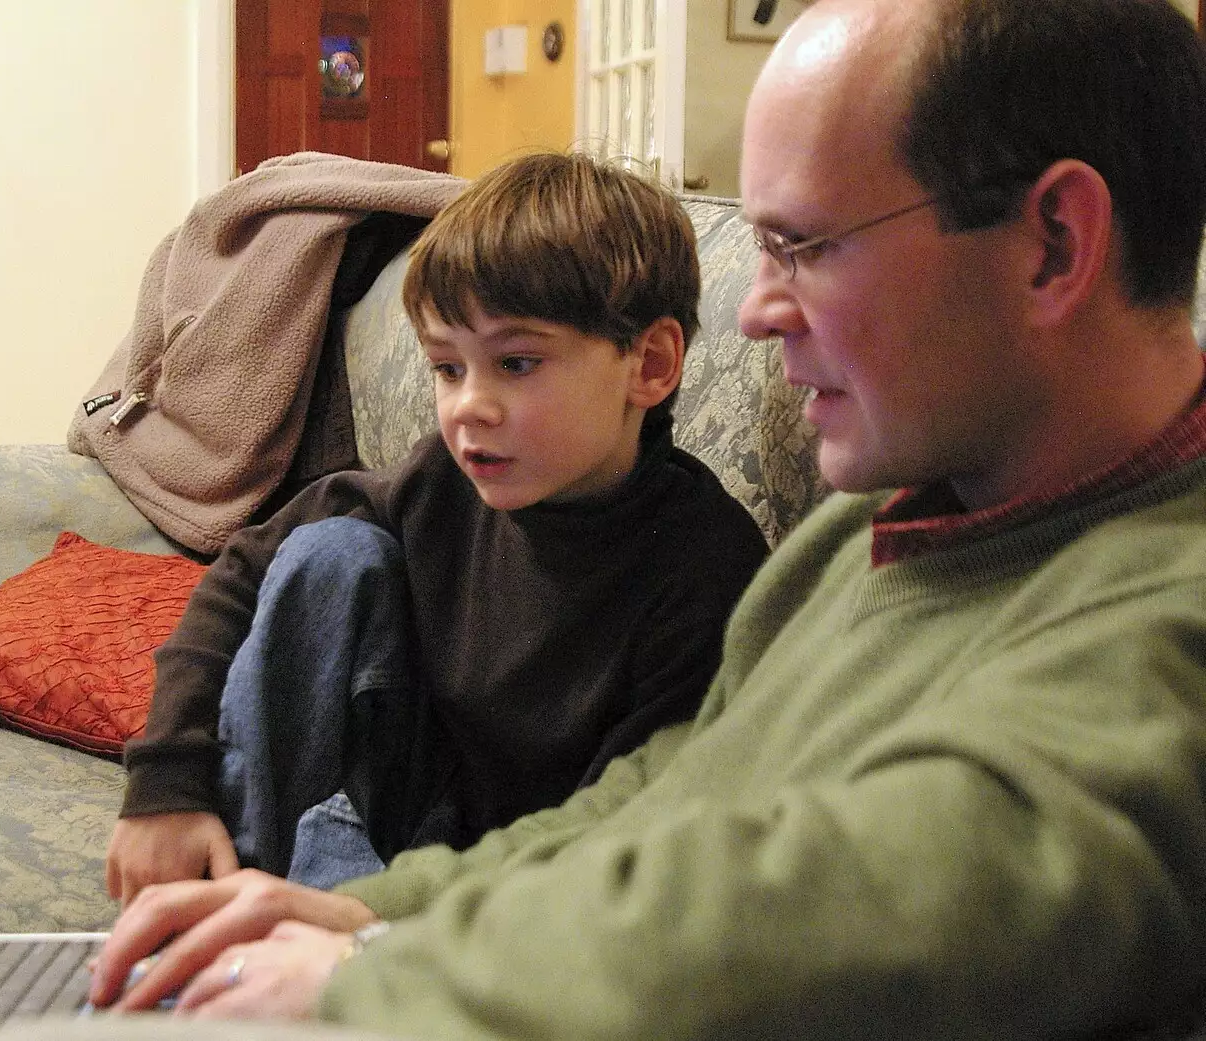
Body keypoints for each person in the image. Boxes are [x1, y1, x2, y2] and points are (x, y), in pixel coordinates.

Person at [63, 0, 1206, 1036]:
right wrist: (357, 913)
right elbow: (671, 793)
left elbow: (877, 902)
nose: (755, 314)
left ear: (1052, 243)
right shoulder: (866, 529)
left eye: (802, 247)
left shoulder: (1162, 623)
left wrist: (375, 980)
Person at [105, 150, 770, 901]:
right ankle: (237, 903)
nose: (466, 407)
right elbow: (242, 571)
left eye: (516, 363)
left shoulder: (705, 573)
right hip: (386, 823)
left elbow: (621, 846)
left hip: (507, 900)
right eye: (447, 367)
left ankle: (292, 933)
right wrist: (166, 783)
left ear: (649, 364)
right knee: (331, 554)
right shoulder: (444, 480)